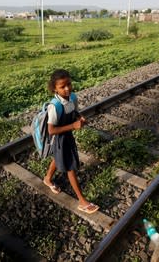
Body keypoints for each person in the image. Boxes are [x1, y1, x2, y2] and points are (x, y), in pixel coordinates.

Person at [43, 69, 100, 214]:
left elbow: (73, 112)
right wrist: (73, 126)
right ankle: (82, 201)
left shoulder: (72, 97)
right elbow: (51, 131)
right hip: (59, 138)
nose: (67, 88)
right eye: (62, 87)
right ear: (54, 88)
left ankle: (48, 178)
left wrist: (79, 117)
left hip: (68, 135)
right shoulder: (54, 106)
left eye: (69, 84)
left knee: (58, 157)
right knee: (70, 167)